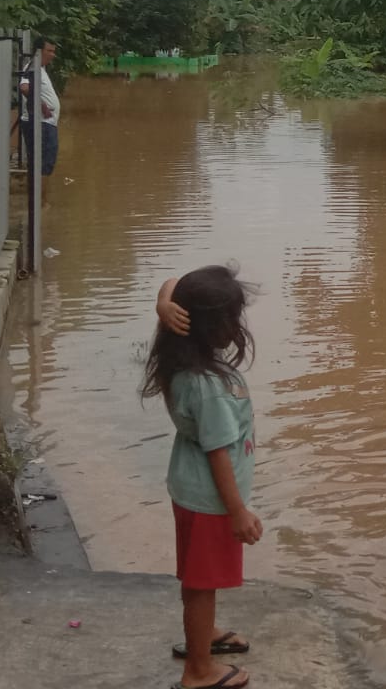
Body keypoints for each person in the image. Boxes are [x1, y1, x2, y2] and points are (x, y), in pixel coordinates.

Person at [144, 269, 259, 689]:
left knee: (198, 578)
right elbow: (218, 455)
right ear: (210, 325)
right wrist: (238, 512)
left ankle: (203, 636)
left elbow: (175, 282)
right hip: (212, 501)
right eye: (232, 317)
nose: (238, 325)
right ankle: (198, 670)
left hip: (190, 491)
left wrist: (163, 304)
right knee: (202, 583)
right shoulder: (207, 386)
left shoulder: (181, 354)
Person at [18, 38, 59, 196]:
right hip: (40, 123)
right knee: (42, 165)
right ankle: (40, 202)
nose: (52, 55)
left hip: (46, 123)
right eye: (49, 51)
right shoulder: (32, 67)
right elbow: (24, 87)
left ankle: (41, 199)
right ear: (38, 52)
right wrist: (41, 105)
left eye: (53, 51)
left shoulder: (40, 69)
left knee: (45, 164)